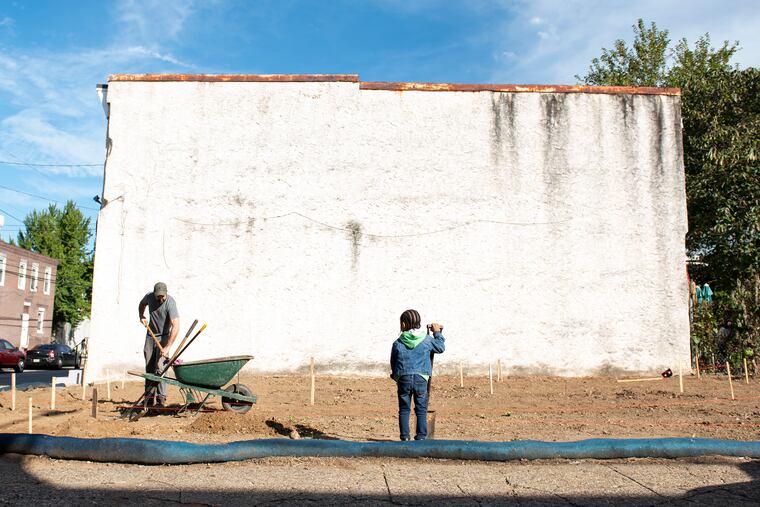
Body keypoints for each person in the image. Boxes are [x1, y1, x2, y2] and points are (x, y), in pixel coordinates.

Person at [390, 309, 445, 441]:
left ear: (403, 325)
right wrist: (437, 333)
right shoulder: (427, 340)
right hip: (421, 378)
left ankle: (405, 437)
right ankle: (421, 437)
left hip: (403, 378)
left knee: (404, 409)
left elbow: (393, 361)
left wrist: (395, 376)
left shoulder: (398, 343)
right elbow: (440, 348)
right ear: (419, 323)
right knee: (421, 408)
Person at [138, 282, 180, 408]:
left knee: (161, 368)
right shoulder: (149, 297)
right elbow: (142, 304)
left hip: (164, 337)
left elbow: (176, 326)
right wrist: (141, 315)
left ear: (166, 294)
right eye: (158, 297)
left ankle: (161, 400)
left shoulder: (170, 303)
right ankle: (149, 399)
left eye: (163, 296)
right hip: (150, 336)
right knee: (149, 367)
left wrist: (167, 347)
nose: (160, 299)